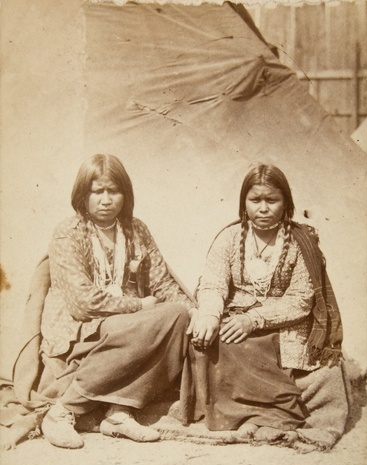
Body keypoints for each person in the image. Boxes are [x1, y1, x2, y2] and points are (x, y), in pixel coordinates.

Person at [180, 163, 348, 448]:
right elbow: (213, 282)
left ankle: (272, 413)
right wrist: (209, 314)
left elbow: (301, 299)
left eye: (272, 200)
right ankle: (233, 413)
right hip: (235, 314)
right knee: (209, 339)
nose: (263, 208)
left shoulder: (300, 243)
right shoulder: (230, 238)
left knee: (246, 346)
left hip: (284, 324)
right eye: (255, 200)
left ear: (286, 204)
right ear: (244, 203)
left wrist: (254, 319)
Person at [38, 153, 197, 449]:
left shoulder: (136, 229)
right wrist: (137, 306)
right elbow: (82, 303)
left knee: (178, 316)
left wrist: (196, 311)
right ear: (83, 195)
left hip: (126, 325)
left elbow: (162, 282)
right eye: (98, 192)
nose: (106, 200)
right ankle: (62, 411)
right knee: (140, 325)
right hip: (81, 328)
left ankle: (119, 412)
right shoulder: (68, 233)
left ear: (126, 194)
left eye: (114, 191)